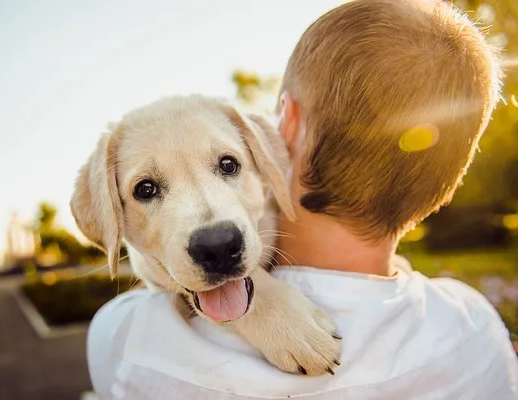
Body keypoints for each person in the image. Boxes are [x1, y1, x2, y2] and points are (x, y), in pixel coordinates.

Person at [87, 0, 518, 398]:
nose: (211, 225)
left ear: (285, 124)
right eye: (148, 189)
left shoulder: (128, 340)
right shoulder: (477, 330)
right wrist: (261, 302)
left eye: (228, 165)